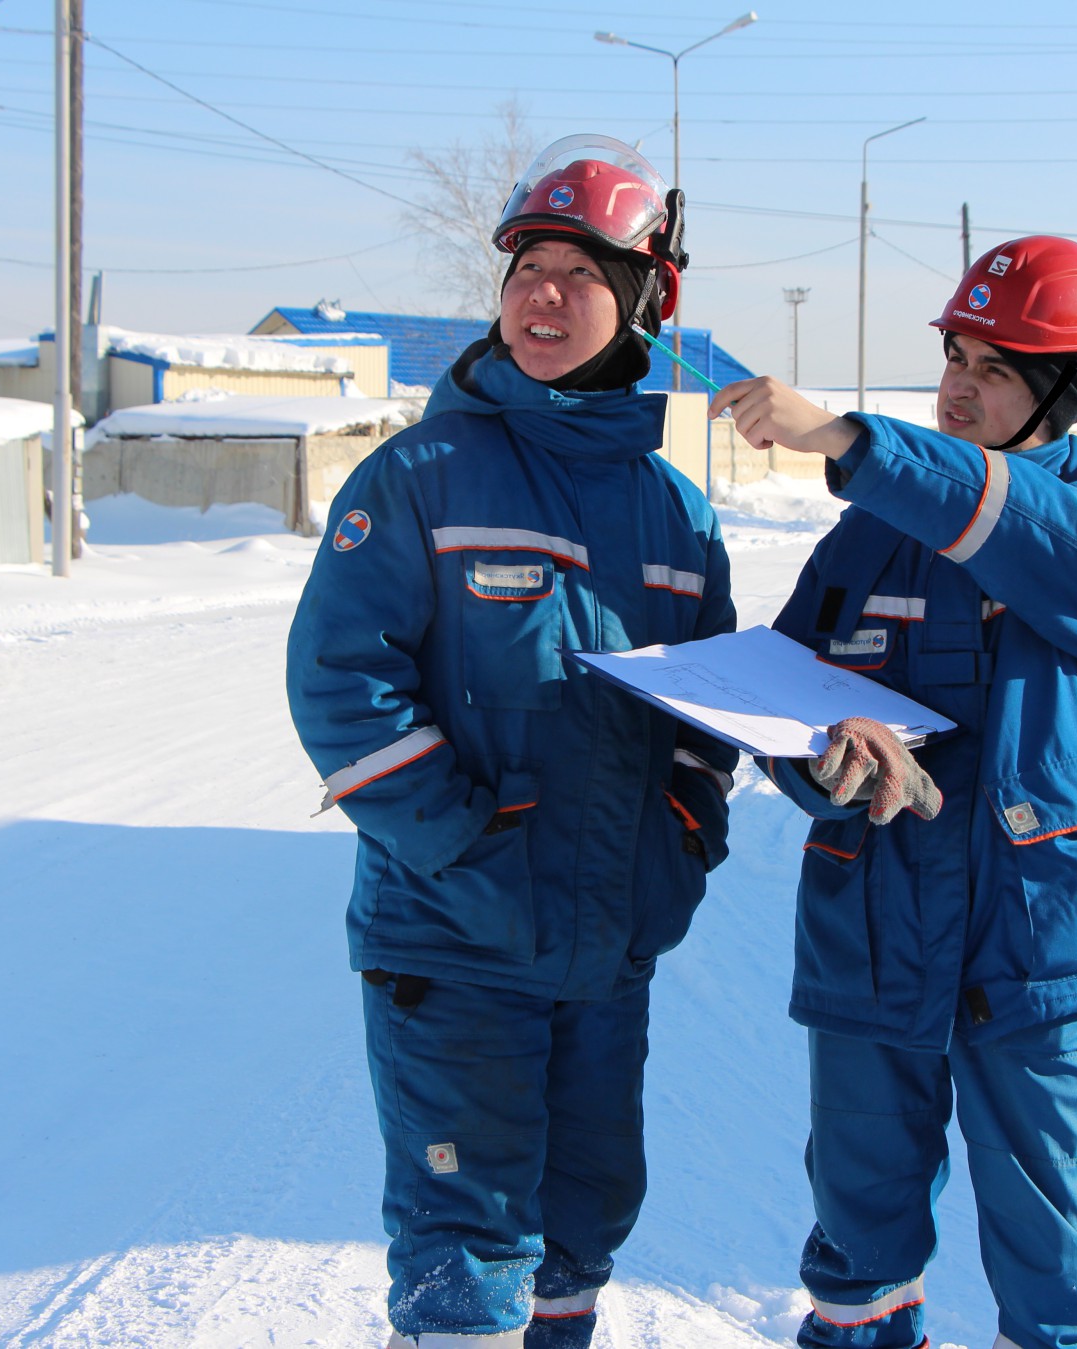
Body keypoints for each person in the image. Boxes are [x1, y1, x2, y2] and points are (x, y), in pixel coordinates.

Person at [287, 134, 737, 1349]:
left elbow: (707, 706)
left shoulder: (674, 510)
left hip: (607, 947)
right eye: (525, 268)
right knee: (466, 1244)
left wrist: (685, 835)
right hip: (455, 938)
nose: (543, 294)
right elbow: (339, 684)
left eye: (581, 271)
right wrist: (466, 844)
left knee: (583, 1221)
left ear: (645, 297)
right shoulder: (423, 474)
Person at [709, 236, 1077, 1349]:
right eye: (955, 355)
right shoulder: (870, 533)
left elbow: (1018, 527)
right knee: (856, 1234)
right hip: (873, 922)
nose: (960, 383)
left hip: (1030, 940)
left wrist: (852, 440)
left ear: (1069, 387)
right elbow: (782, 685)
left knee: (1051, 1244)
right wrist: (818, 759)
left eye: (998, 366)